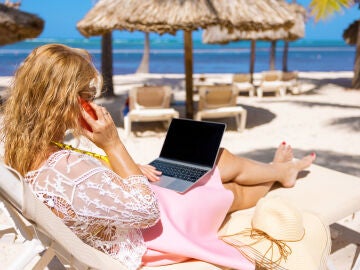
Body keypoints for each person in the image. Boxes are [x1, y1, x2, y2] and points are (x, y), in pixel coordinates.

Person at [1, 44, 316, 270]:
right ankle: (280, 174)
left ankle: (277, 171)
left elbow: (81, 187)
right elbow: (145, 212)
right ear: (68, 101)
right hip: (151, 231)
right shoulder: (68, 168)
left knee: (214, 163)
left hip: (121, 214)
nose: (93, 102)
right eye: (88, 95)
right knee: (222, 176)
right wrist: (113, 145)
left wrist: (120, 168)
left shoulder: (22, 151)